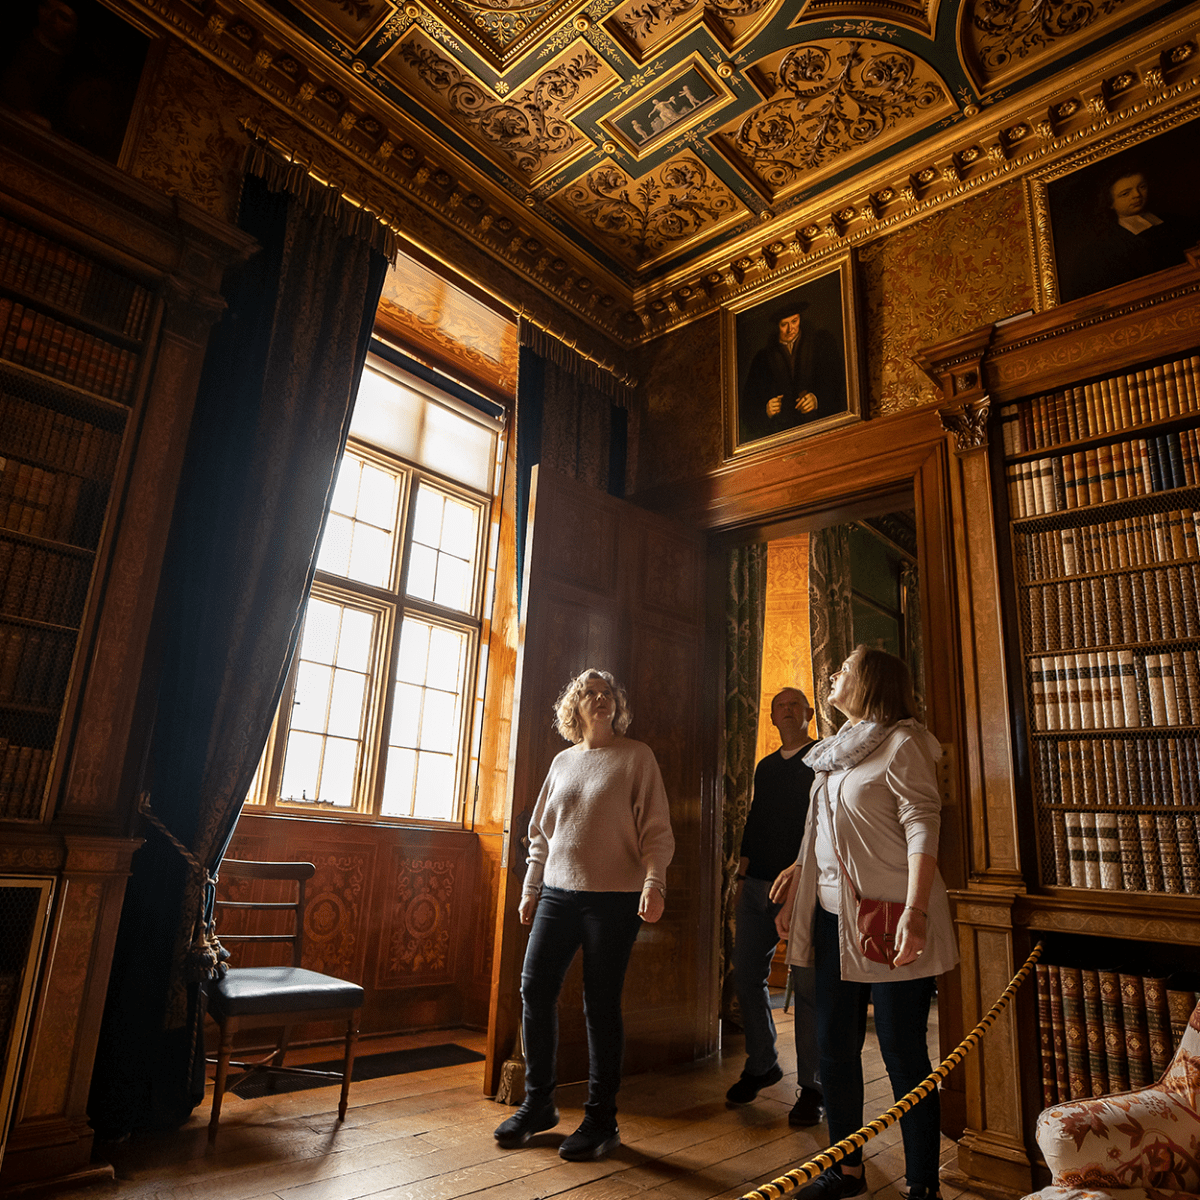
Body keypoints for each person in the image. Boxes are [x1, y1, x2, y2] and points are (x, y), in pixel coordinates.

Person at [775, 646, 957, 1200]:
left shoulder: (903, 743)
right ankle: (845, 1170)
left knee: (903, 1052)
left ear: (873, 681)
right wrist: (798, 875)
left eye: (845, 670)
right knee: (833, 1045)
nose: (834, 676)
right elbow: (821, 829)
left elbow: (923, 825)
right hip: (832, 919)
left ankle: (923, 1183)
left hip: (890, 919)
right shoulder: (834, 752)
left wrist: (916, 911)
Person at [493, 668, 675, 1161]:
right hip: (556, 893)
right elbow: (540, 835)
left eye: (607, 693)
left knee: (600, 1003)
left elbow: (657, 829)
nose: (599, 699)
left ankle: (601, 1118)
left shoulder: (636, 757)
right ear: (574, 706)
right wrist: (532, 888)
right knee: (535, 989)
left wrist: (654, 882)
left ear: (616, 704)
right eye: (589, 693)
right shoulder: (562, 761)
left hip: (614, 898)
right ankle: (539, 1104)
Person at [725, 687, 823, 1127]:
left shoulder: (823, 758)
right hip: (755, 886)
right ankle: (763, 1062)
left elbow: (822, 826)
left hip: (802, 886)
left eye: (794, 703)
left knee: (806, 988)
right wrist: (741, 878)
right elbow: (755, 821)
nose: (786, 709)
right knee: (746, 975)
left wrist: (802, 878)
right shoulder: (765, 766)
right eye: (779, 705)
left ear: (809, 713)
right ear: (770, 717)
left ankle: (814, 1087)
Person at [1072, 164, 1200, 299]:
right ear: (1110, 203)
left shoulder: (1176, 222)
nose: (1137, 195)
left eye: (1142, 187)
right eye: (1125, 194)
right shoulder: (1107, 246)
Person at [740, 306, 839, 444]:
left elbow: (837, 383)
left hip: (819, 433)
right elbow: (748, 407)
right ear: (777, 326)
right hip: (781, 439)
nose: (790, 329)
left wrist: (817, 400)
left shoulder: (819, 343)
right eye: (784, 324)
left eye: (794, 321)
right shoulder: (762, 358)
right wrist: (767, 409)